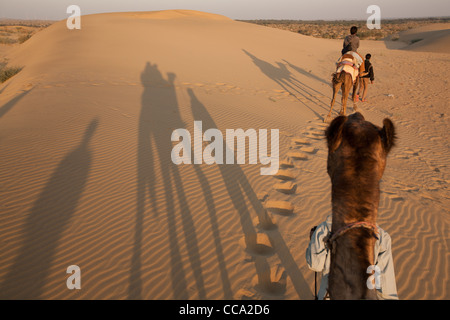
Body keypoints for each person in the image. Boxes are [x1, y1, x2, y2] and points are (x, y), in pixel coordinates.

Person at [306, 215, 398, 300]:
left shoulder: (325, 229)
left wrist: (314, 240)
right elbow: (386, 288)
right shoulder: (381, 236)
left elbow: (315, 265)